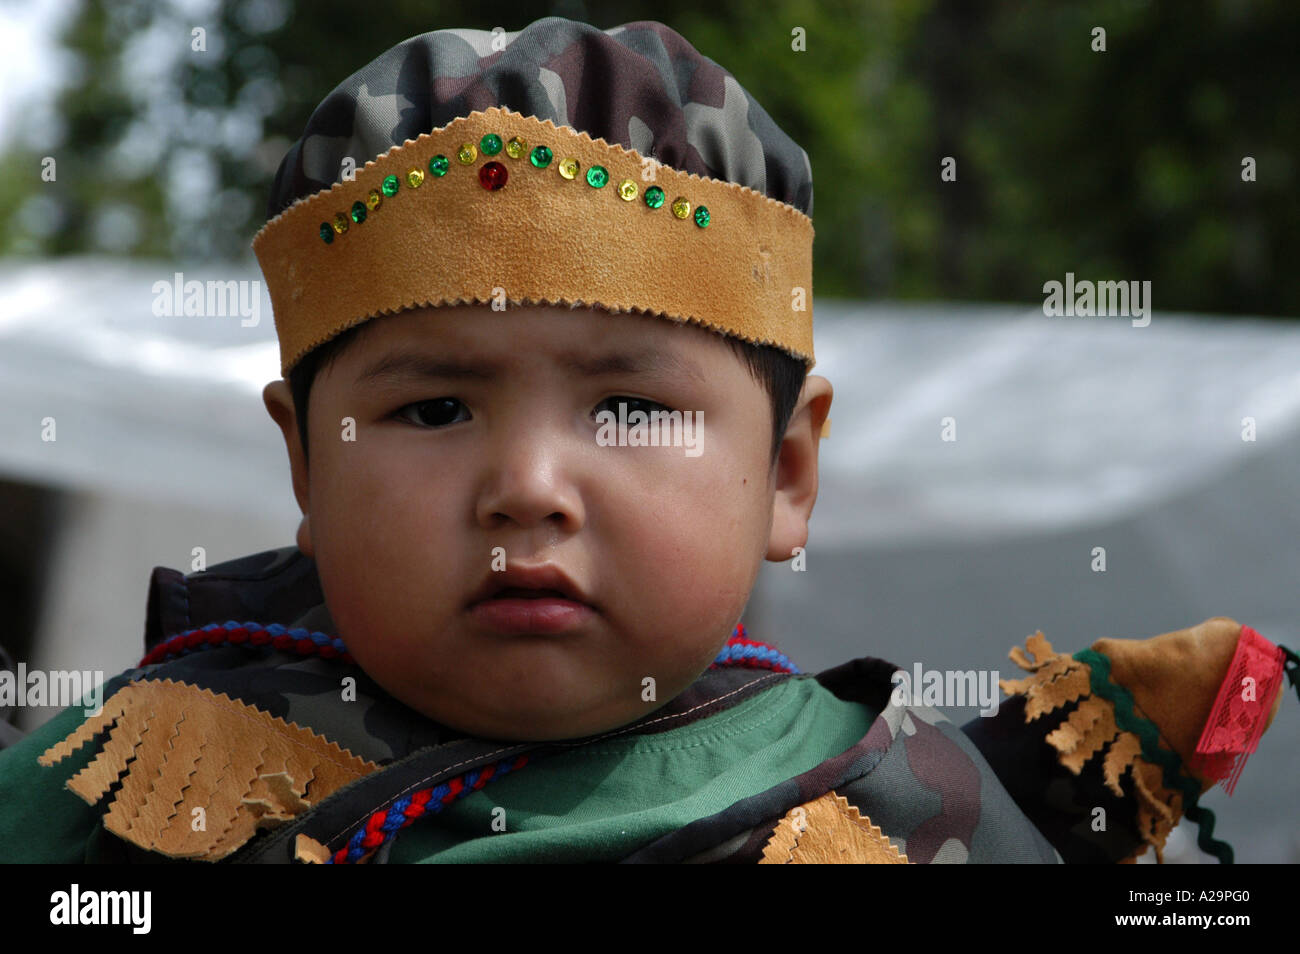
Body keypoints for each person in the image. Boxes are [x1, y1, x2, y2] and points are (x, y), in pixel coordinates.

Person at [0, 17, 1292, 864]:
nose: (525, 487)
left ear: (789, 474)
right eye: (432, 408)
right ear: (304, 467)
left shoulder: (900, 802)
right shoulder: (127, 784)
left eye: (630, 408)